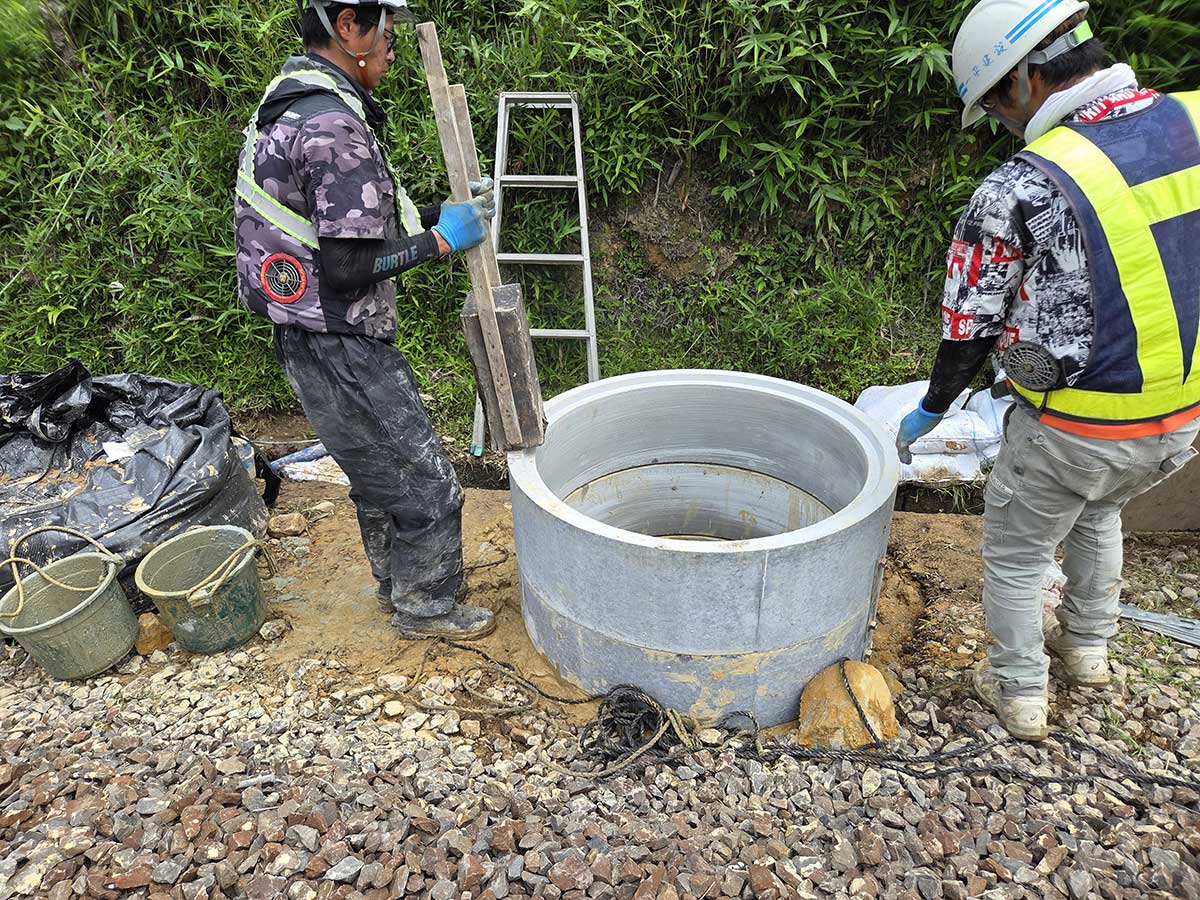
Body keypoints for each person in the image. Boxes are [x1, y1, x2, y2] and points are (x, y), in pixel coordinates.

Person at [896, 0, 1200, 740]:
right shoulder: (1191, 120)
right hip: (1180, 421)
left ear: (1026, 81)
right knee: (1099, 510)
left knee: (1015, 550)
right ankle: (1088, 652)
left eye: (996, 108)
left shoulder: (1019, 188)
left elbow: (969, 328)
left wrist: (933, 407)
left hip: (1073, 425)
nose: (1003, 125)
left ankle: (1021, 691)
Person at [234, 0, 498, 639]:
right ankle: (426, 607)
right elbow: (349, 268)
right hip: (341, 338)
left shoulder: (291, 102)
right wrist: (440, 241)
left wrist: (431, 219)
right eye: (383, 29)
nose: (391, 45)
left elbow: (344, 222)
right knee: (430, 485)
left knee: (376, 473)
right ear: (348, 25)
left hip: (305, 331)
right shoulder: (332, 128)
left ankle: (394, 584)